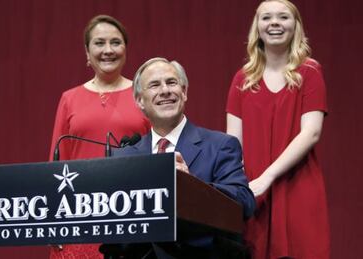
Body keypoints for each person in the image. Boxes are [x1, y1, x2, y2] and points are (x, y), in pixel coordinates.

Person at [111, 57, 255, 258]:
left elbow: (244, 203)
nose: (165, 90)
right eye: (154, 85)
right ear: (139, 101)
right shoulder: (123, 157)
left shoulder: (221, 145)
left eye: (171, 82)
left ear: (184, 92)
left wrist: (191, 186)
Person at [226, 0, 330, 258]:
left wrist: (268, 177)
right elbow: (231, 143)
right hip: (254, 190)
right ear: (257, 28)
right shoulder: (242, 79)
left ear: (295, 26)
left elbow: (311, 133)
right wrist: (240, 186)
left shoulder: (310, 72)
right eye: (266, 18)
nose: (274, 23)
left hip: (297, 184)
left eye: (283, 17)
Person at [49, 15, 150, 259]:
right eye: (99, 43)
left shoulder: (145, 95)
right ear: (87, 51)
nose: (108, 50)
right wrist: (53, 221)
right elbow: (57, 160)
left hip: (133, 214)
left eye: (115, 42)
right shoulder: (69, 99)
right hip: (78, 215)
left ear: (126, 49)